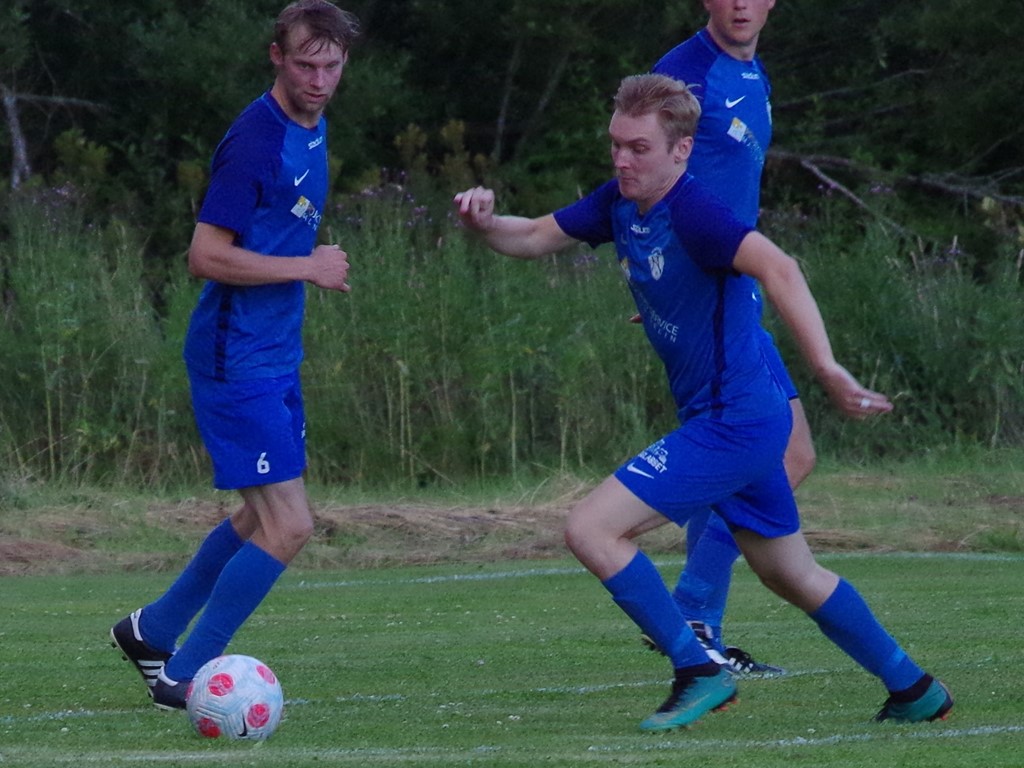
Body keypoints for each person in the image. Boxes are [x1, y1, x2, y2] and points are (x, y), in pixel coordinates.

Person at [453, 73, 952, 731]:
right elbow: (534, 237)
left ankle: (697, 670)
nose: (622, 160)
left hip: (734, 422)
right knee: (793, 575)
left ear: (681, 150)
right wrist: (485, 224)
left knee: (591, 529)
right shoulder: (620, 203)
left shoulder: (696, 212)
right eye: (616, 145)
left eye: (639, 148)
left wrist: (827, 367)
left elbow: (782, 269)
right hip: (736, 421)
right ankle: (914, 688)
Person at [110, 0, 359, 710]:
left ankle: (153, 631)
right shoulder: (257, 139)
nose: (318, 79)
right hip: (235, 359)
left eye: (331, 66)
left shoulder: (311, 126)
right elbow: (205, 255)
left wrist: (298, 273)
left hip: (274, 354)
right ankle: (184, 675)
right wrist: (308, 267)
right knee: (290, 525)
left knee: (257, 519)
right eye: (304, 64)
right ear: (275, 56)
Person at [646, 0, 804, 677]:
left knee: (781, 456)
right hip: (714, 301)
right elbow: (641, 178)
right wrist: (662, 276)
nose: (740, 3)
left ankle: (695, 618)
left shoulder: (755, 73)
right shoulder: (684, 74)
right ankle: (690, 615)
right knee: (782, 452)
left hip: (732, 295)